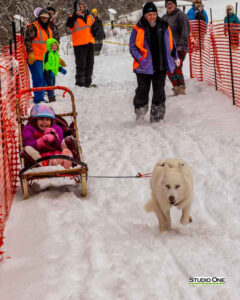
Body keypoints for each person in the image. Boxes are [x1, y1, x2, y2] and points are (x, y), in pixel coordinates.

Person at [129, 2, 179, 122]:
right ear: (144, 15)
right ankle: (140, 112)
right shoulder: (138, 27)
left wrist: (175, 56)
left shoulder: (164, 25)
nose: (152, 17)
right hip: (144, 67)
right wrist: (141, 59)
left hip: (161, 65)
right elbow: (133, 47)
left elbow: (171, 43)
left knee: (159, 92)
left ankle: (157, 117)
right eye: (149, 14)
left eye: (154, 14)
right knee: (142, 91)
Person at [22, 104, 73, 169]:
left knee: (65, 150)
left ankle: (65, 165)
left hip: (56, 154)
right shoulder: (28, 129)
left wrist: (55, 138)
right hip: (39, 156)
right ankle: (46, 166)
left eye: (47, 119)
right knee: (28, 149)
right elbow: (27, 144)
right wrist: (40, 141)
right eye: (41, 119)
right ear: (35, 120)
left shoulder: (56, 128)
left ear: (51, 121)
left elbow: (60, 146)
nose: (44, 122)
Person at [25, 8, 53, 103]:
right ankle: (38, 99)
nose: (44, 20)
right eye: (42, 18)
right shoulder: (33, 27)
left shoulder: (49, 30)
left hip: (45, 58)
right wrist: (30, 53)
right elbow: (27, 40)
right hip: (34, 57)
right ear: (39, 17)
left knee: (44, 79)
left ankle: (41, 97)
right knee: (38, 78)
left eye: (46, 18)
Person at [66, 1, 96, 87]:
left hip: (90, 42)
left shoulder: (90, 17)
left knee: (90, 64)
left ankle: (87, 82)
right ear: (76, 8)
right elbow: (69, 25)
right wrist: (76, 15)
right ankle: (79, 83)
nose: (81, 7)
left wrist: (95, 30)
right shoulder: (72, 17)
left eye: (83, 6)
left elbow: (96, 26)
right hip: (79, 44)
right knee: (81, 64)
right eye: (79, 6)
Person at [162, 0, 190, 96]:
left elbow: (185, 31)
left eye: (171, 3)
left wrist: (181, 46)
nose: (169, 5)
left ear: (175, 5)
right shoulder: (164, 18)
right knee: (168, 69)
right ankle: (176, 88)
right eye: (167, 4)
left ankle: (181, 89)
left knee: (176, 67)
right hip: (167, 48)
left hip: (179, 46)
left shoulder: (181, 15)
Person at [43, 38, 67, 102]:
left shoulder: (56, 54)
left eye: (55, 45)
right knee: (50, 86)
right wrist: (49, 71)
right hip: (48, 73)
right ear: (49, 46)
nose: (54, 47)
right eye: (52, 45)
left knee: (52, 85)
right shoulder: (47, 54)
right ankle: (51, 97)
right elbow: (46, 63)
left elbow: (56, 64)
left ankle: (51, 94)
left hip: (53, 73)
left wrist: (60, 68)